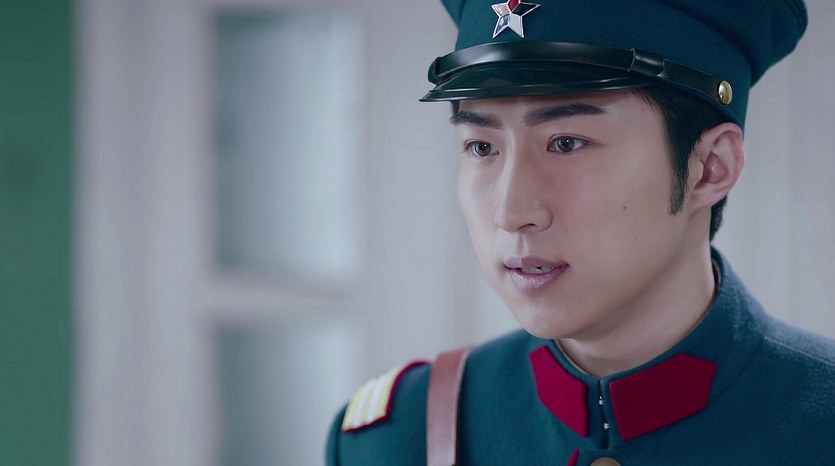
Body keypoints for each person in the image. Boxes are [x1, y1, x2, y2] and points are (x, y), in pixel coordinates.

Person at [327, 1, 835, 464]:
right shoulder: (398, 438)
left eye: (566, 142)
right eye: (482, 147)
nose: (511, 212)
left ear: (710, 169)